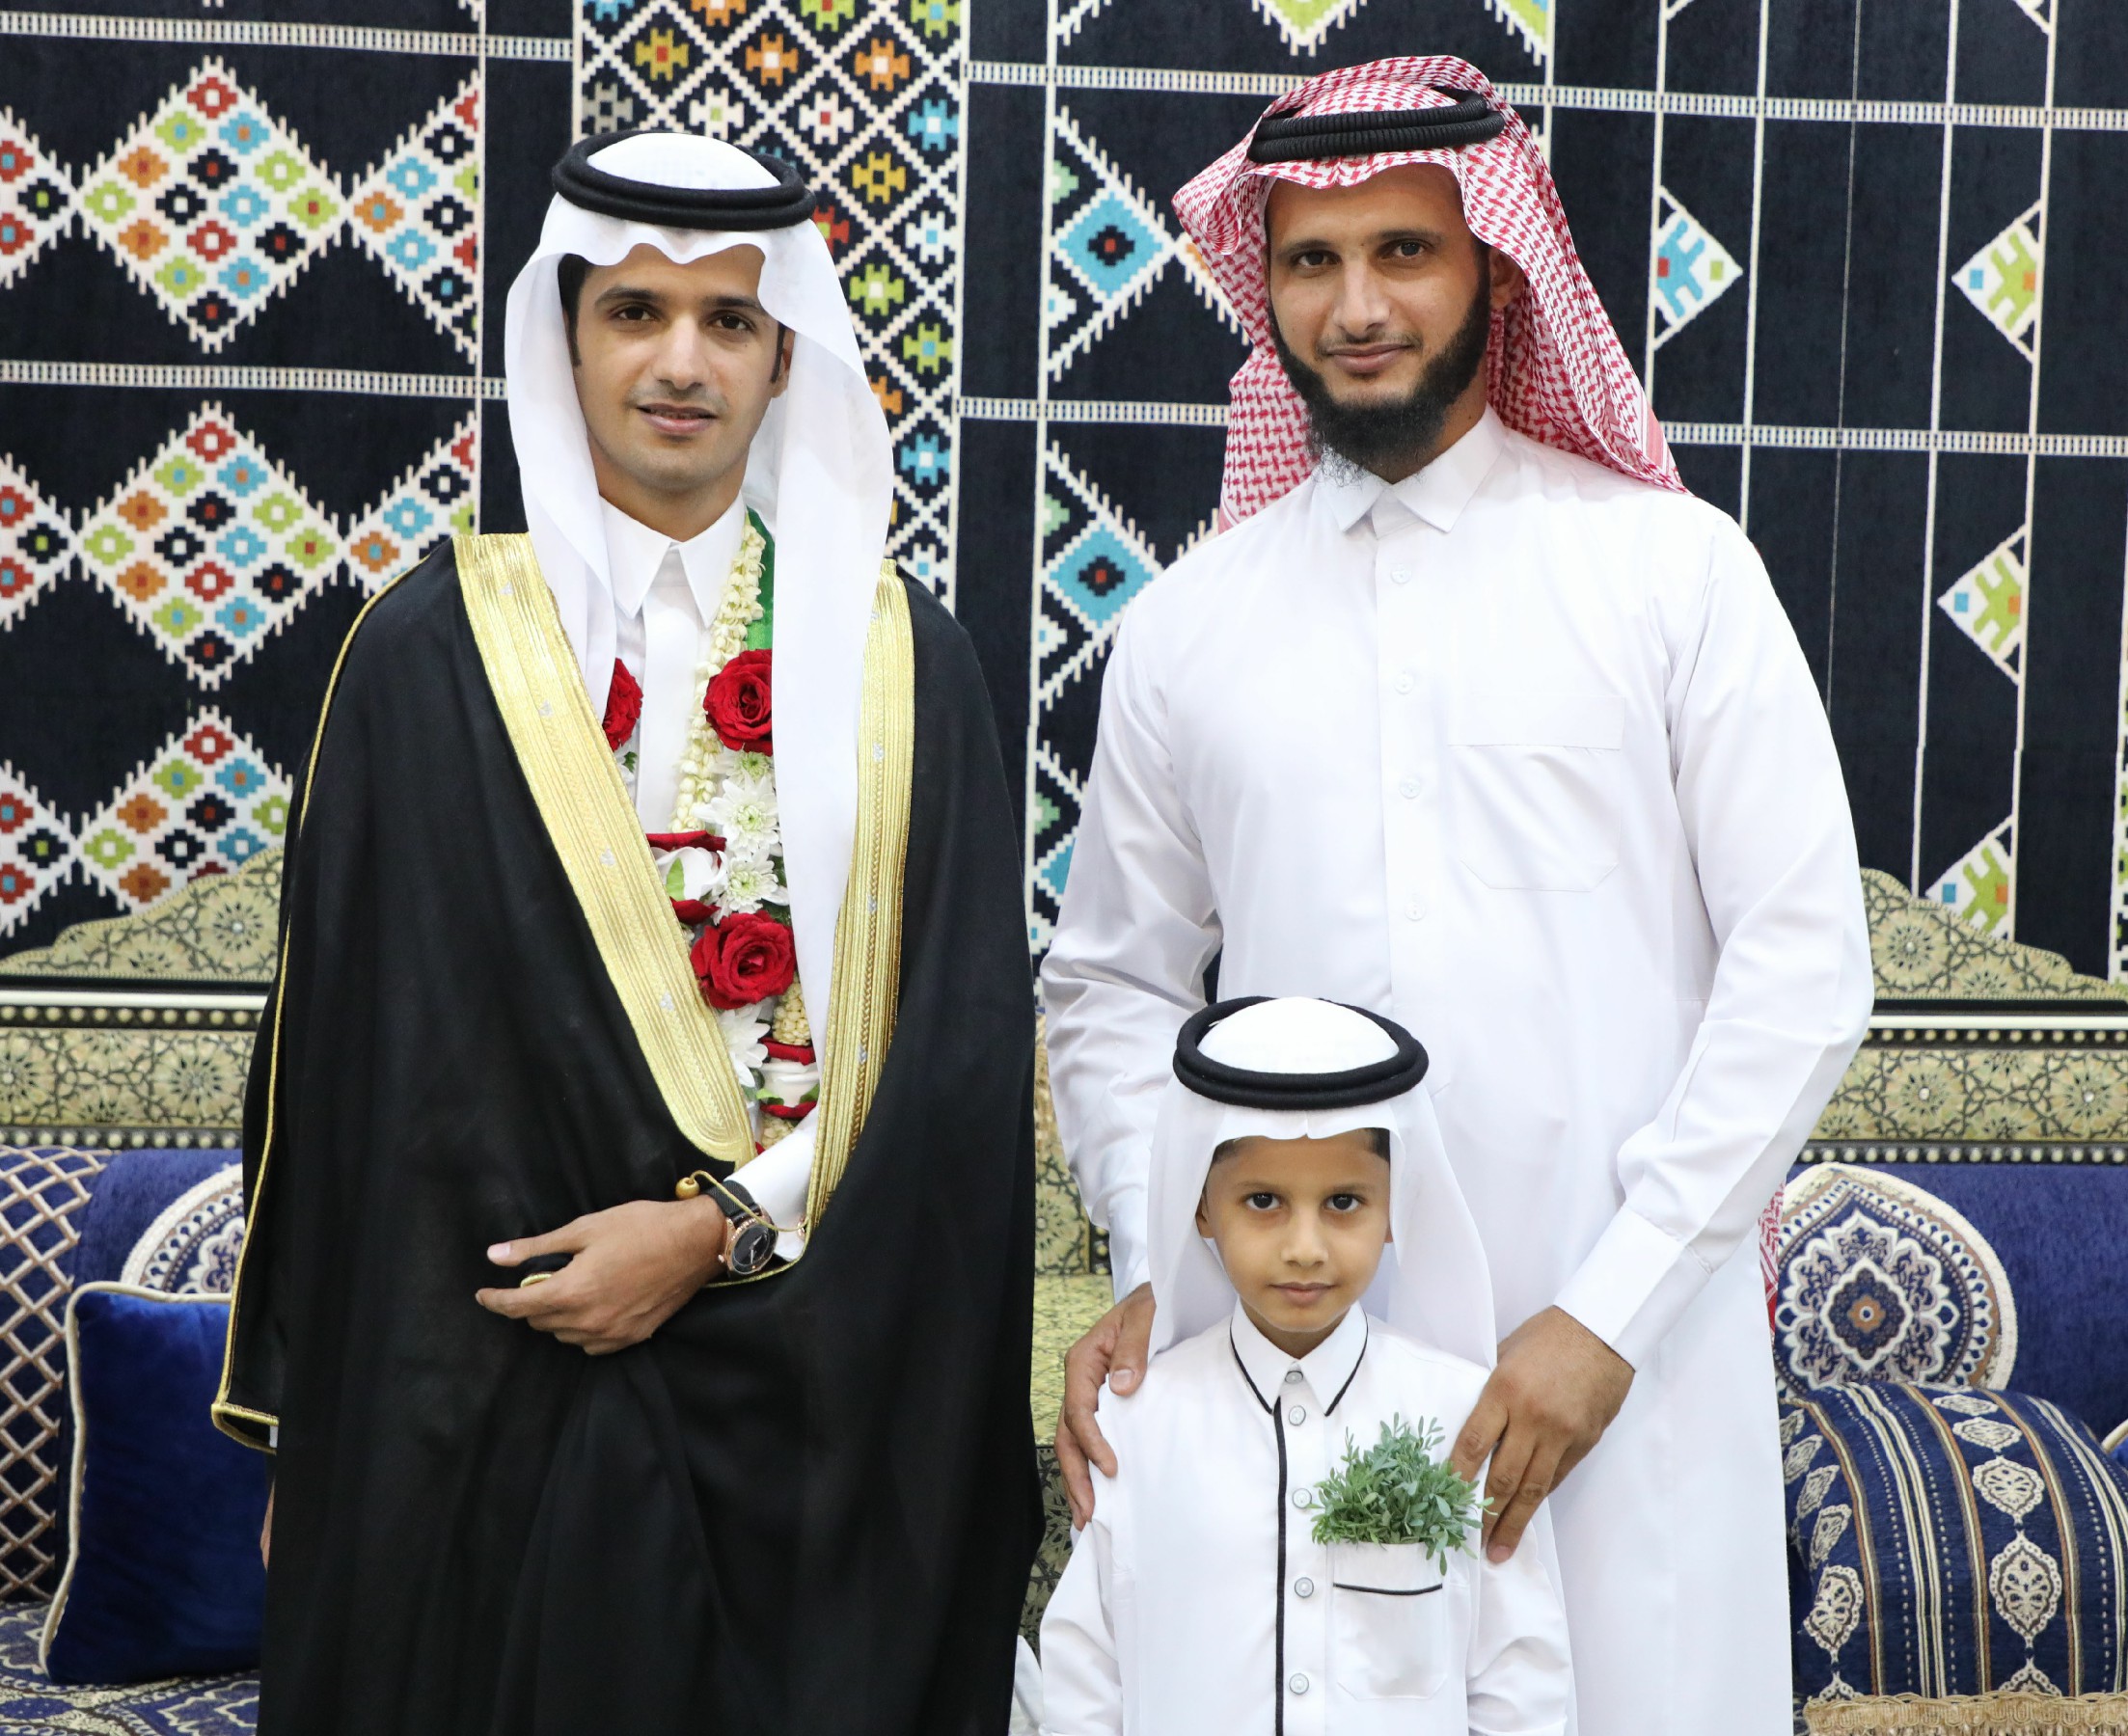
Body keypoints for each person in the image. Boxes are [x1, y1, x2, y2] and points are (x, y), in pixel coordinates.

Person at [1042, 57, 1873, 1736]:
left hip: (1629, 1361)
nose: (1356, 307)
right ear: (1260, 284)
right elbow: (1114, 986)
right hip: (1301, 1363)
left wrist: (1607, 1318)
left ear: (1495, 266)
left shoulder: (1669, 573)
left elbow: (1800, 966)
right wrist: (1157, 1253)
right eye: (1310, 260)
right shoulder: (1191, 628)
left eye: (1404, 252)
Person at [215, 130, 1039, 1735]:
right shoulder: (425, 653)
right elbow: (345, 1078)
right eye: (635, 313)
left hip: (805, 1388)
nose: (679, 363)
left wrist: (717, 1230)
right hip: (486, 1386)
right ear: (566, 338)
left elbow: (947, 1061)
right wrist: (317, 1443)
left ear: (784, 355)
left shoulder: (900, 667)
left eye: (728, 321)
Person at [1040, 996, 1570, 1736]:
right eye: (1263, 1201)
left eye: (1344, 1202)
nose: (1305, 1248)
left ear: (1395, 1208)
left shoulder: (1460, 1416)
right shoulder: (1136, 1424)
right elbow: (1085, 1674)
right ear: (1201, 1207)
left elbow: (1519, 1680)